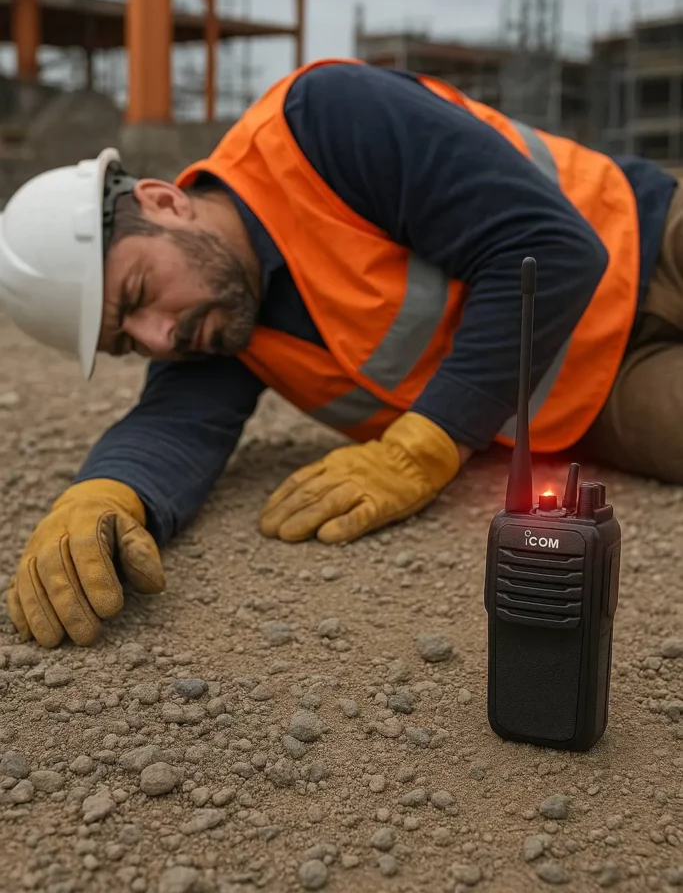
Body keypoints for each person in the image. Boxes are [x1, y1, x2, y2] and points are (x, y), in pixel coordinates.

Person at [0, 57, 681, 650]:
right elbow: (173, 425)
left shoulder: (321, 124)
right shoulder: (218, 326)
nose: (157, 337)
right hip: (601, 392)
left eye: (140, 292)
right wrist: (99, 497)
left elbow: (551, 249)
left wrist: (419, 449)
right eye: (125, 341)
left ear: (164, 202)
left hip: (644, 236)